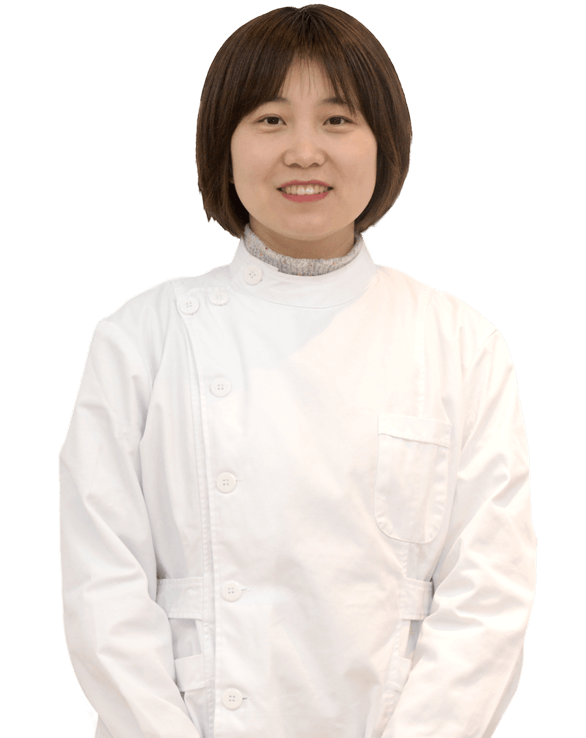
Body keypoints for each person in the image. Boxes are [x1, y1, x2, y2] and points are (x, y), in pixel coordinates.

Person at [59, 6, 537, 738]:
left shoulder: (460, 343)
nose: (304, 152)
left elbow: (489, 592)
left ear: (385, 143)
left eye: (338, 120)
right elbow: (103, 584)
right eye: (271, 120)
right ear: (222, 144)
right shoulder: (142, 339)